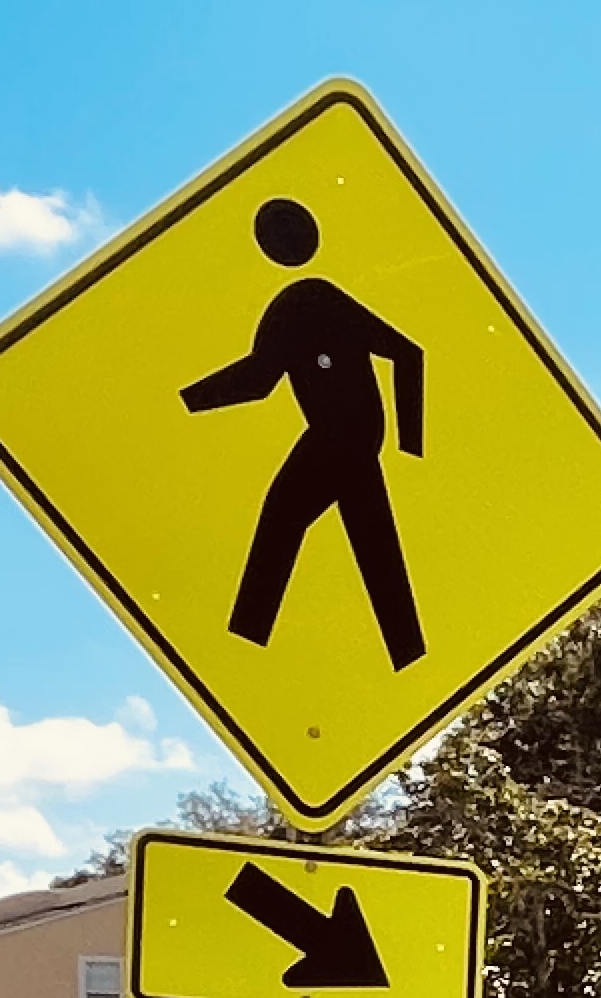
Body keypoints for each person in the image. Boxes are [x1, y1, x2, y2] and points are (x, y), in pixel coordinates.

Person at [182, 197, 427, 669]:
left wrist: (411, 446)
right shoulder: (300, 303)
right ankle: (410, 655)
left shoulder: (310, 300)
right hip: (354, 438)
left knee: (280, 518)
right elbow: (259, 381)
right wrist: (188, 400)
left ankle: (245, 646)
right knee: (375, 545)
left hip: (340, 437)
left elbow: (407, 353)